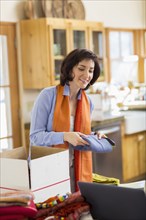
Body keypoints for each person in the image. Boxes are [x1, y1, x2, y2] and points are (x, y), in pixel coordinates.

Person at [30, 48, 104, 193]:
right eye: (81, 68)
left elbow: (79, 134)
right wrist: (64, 136)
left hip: (76, 170)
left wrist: (95, 137)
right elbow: (35, 137)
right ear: (70, 70)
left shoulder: (88, 102)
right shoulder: (48, 95)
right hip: (48, 169)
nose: (87, 75)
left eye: (90, 70)